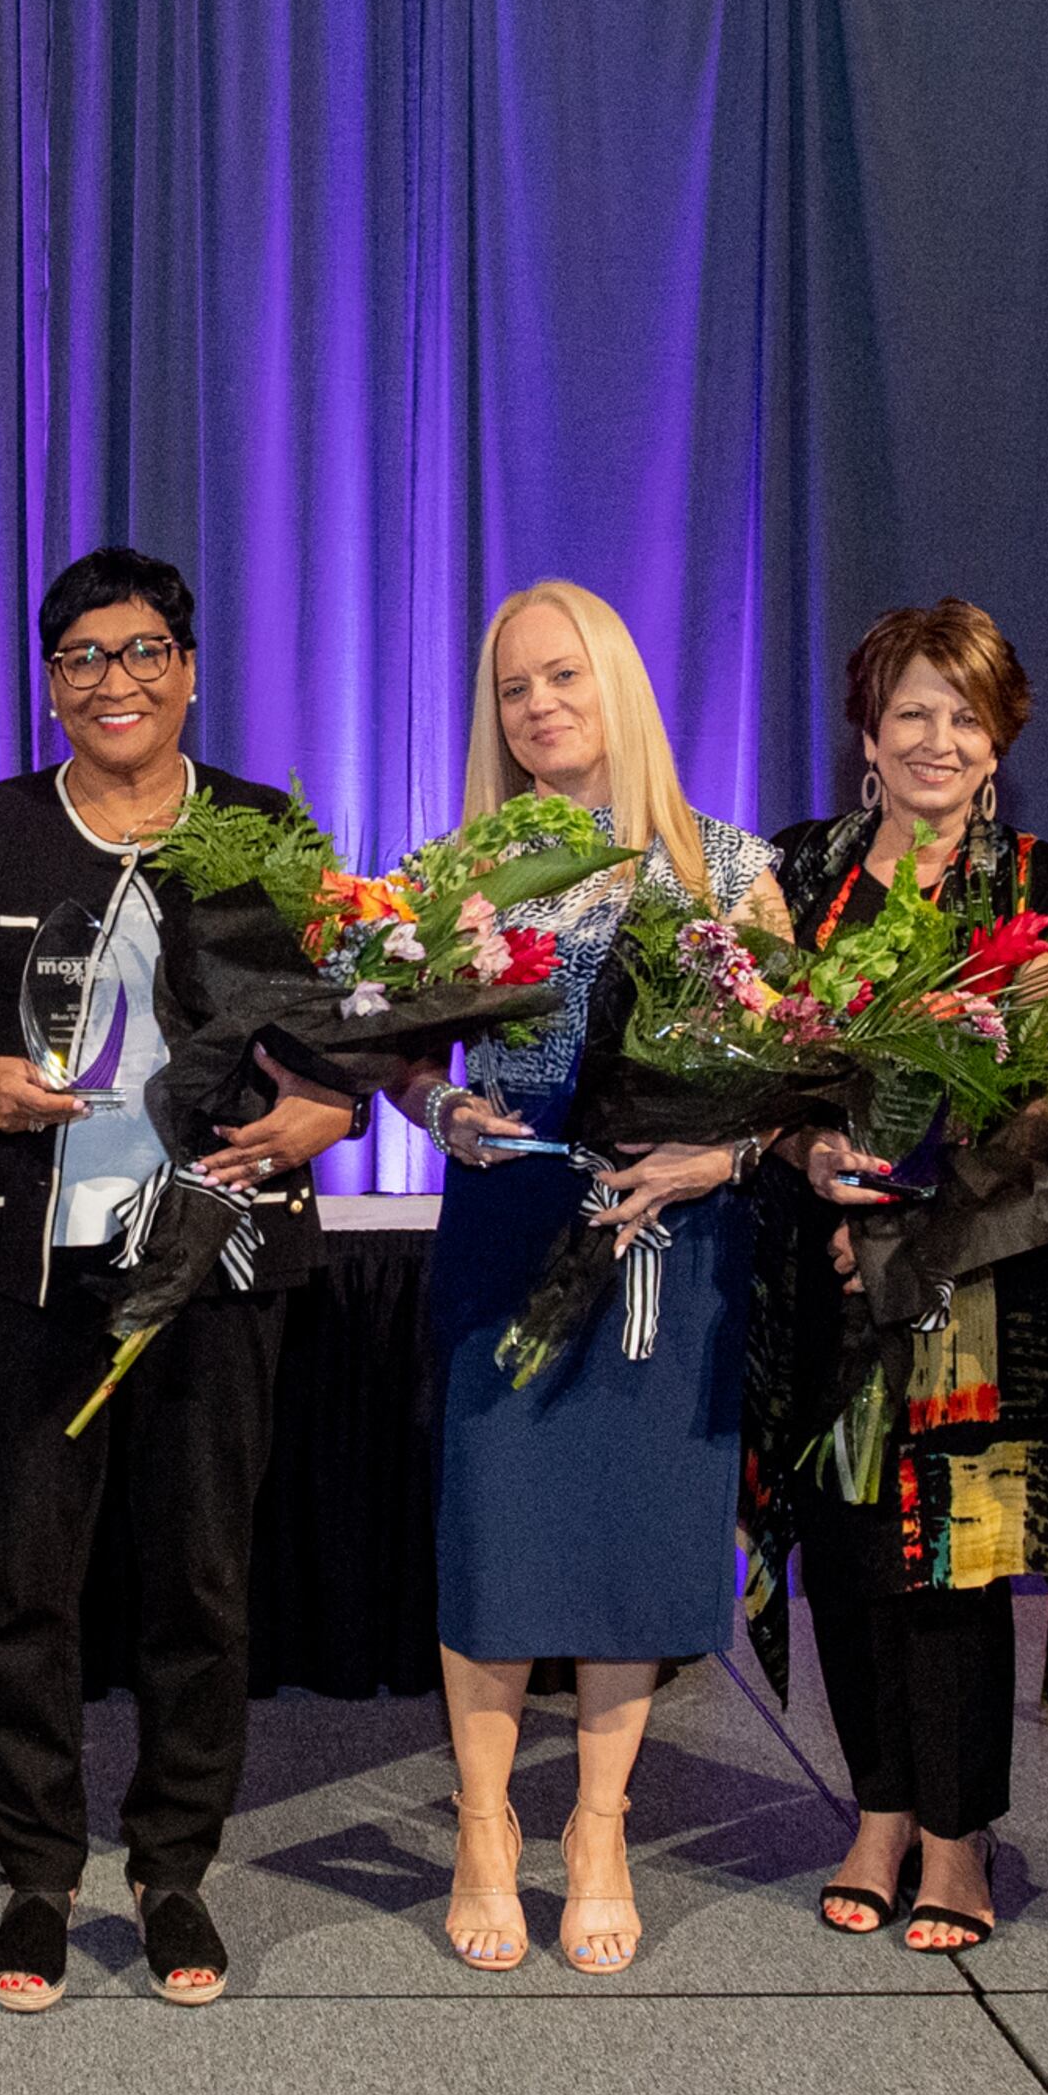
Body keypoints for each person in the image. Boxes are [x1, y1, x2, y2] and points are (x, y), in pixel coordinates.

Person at [0, 548, 362, 2013]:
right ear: (51, 685)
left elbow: (348, 1021)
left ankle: (172, 1867)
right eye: (83, 657)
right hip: (28, 1259)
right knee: (27, 1584)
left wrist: (332, 1109)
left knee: (200, 1580)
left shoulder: (265, 832)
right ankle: (37, 1874)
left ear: (190, 672)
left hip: (218, 1251)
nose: (116, 680)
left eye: (145, 650)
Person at [383, 579, 789, 1976]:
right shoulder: (462, 869)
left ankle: (601, 1826)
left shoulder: (729, 870)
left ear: (618, 683)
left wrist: (720, 1156)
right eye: (514, 687)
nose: (540, 704)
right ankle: (485, 1825)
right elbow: (393, 1046)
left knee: (634, 1542)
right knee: (495, 1536)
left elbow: (797, 1079)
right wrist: (439, 1109)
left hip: (671, 1240)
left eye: (563, 676)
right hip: (511, 1221)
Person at [745, 599, 1048, 1955]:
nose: (936, 739)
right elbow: (751, 1061)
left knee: (955, 1556)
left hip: (977, 1275)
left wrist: (907, 1213)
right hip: (820, 1265)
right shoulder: (796, 872)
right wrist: (809, 1150)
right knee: (845, 1545)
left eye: (965, 714)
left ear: (1000, 738)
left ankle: (958, 1839)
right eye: (911, 711)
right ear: (868, 732)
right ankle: (879, 1812)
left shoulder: (1043, 886)